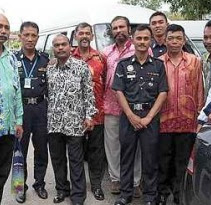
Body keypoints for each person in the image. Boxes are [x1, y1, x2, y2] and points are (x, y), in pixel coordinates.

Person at [112, 24, 168, 205]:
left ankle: (150, 197)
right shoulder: (123, 65)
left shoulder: (159, 65)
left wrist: (149, 117)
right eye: (139, 38)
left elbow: (163, 92)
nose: (142, 42)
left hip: (150, 117)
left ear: (150, 40)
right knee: (126, 157)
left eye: (146, 38)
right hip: (129, 117)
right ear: (132, 40)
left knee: (150, 159)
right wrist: (130, 115)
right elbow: (119, 92)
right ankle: (125, 194)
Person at [47, 34, 96, 205]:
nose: (60, 48)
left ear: (70, 46)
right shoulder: (49, 69)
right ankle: (62, 190)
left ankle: (77, 196)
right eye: (56, 45)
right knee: (58, 159)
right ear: (53, 48)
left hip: (75, 123)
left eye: (63, 44)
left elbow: (89, 93)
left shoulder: (81, 66)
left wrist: (89, 116)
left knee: (76, 161)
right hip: (54, 123)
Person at [158, 24, 204, 205]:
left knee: (182, 161)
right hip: (163, 121)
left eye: (178, 38)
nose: (175, 42)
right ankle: (162, 193)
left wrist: (199, 115)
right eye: (171, 38)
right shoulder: (158, 62)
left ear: (184, 40)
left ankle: (179, 195)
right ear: (165, 40)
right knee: (163, 160)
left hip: (188, 121)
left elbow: (199, 89)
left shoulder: (195, 61)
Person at [0, 14, 24, 205]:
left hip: (9, 128)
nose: (3, 31)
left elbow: (16, 92)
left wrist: (19, 121)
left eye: (7, 27)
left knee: (1, 174)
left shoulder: (11, 57)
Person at [103, 16, 143, 197]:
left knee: (135, 147)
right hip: (111, 106)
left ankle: (135, 182)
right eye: (115, 28)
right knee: (113, 145)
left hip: (134, 108)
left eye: (122, 27)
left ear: (129, 29)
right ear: (112, 32)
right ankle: (116, 179)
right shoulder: (106, 53)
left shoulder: (140, 49)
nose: (119, 30)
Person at [14, 21, 50, 203]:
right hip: (21, 111)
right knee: (20, 150)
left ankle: (40, 183)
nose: (29, 39)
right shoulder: (13, 59)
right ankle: (20, 187)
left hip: (41, 109)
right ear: (20, 36)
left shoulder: (45, 59)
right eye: (26, 35)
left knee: (42, 149)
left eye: (33, 35)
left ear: (37, 37)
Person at [72, 22, 107, 201]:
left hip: (97, 113)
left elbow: (107, 83)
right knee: (76, 152)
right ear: (76, 35)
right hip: (74, 115)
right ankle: (77, 188)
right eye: (81, 33)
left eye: (88, 33)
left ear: (92, 36)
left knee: (96, 152)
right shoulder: (68, 57)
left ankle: (96, 185)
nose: (84, 36)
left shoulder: (100, 58)